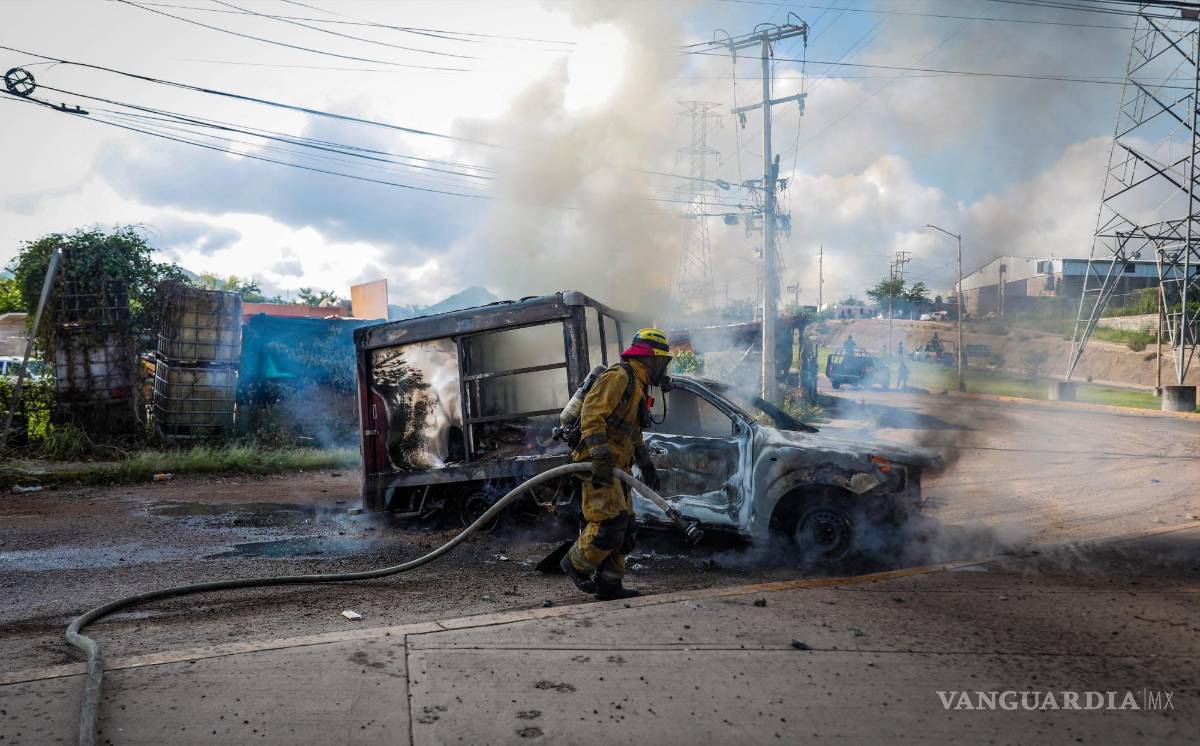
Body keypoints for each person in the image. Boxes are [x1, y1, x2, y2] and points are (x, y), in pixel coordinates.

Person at [561, 328, 671, 600]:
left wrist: (646, 466)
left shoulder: (637, 386)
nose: (664, 368)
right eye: (663, 361)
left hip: (619, 468)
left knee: (627, 528)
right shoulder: (620, 377)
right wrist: (599, 457)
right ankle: (575, 564)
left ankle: (610, 584)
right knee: (610, 522)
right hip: (598, 465)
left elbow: (632, 432)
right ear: (652, 359)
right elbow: (591, 415)